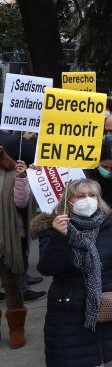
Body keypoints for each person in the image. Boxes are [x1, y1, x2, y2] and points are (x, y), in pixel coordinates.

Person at [35, 179, 112, 367]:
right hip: (69, 311)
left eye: (92, 195)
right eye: (80, 196)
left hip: (105, 303)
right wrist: (59, 236)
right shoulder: (52, 227)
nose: (87, 200)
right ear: (68, 200)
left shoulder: (108, 224)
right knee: (76, 362)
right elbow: (47, 268)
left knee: (99, 362)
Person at [1, 147, 30, 348]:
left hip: (9, 242)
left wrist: (21, 178)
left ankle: (16, 329)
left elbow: (22, 203)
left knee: (12, 286)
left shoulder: (13, 173)